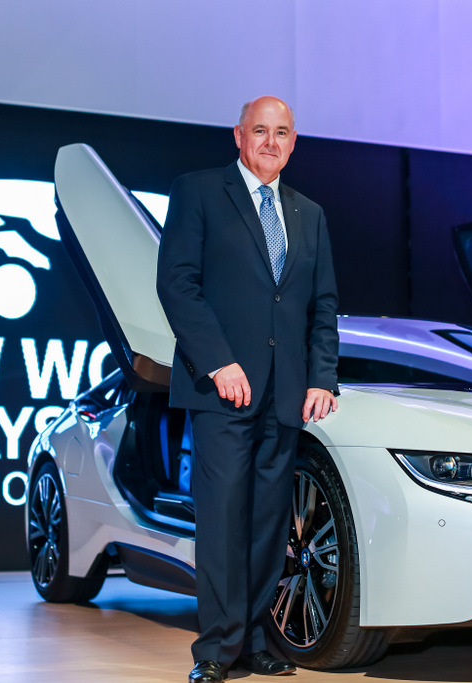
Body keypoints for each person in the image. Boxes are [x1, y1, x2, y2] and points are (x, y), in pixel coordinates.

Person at [156, 96, 340, 683]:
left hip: (285, 395)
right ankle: (216, 648)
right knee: (222, 522)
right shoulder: (199, 192)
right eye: (259, 130)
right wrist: (218, 363)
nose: (270, 142)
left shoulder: (309, 214)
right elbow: (177, 285)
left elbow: (321, 306)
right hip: (222, 392)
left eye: (281, 132)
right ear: (238, 136)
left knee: (267, 525)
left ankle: (256, 640)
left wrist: (322, 377)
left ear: (293, 142)